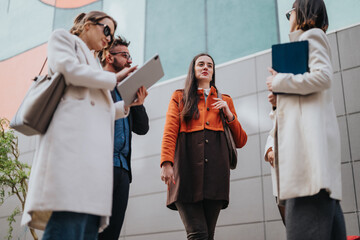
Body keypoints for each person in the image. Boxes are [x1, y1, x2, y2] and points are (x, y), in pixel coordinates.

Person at [21, 11, 142, 240]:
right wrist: (114, 79)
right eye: (106, 30)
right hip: (70, 152)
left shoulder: (95, 69)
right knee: (66, 225)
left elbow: (99, 111)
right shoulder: (63, 39)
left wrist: (126, 105)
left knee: (85, 230)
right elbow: (68, 70)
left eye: (112, 34)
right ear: (88, 25)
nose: (108, 38)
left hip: (93, 162)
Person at [265, 0, 346, 239]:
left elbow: (322, 77)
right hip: (315, 170)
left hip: (307, 168)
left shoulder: (311, 37)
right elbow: (308, 100)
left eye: (289, 13)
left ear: (300, 12)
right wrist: (278, 101)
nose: (288, 18)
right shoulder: (308, 42)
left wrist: (278, 82)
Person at [160, 53, 247, 240]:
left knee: (208, 236)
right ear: (193, 69)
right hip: (185, 172)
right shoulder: (179, 97)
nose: (205, 67)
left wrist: (228, 113)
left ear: (213, 71)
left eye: (210, 65)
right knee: (198, 234)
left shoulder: (226, 100)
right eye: (201, 64)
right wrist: (166, 163)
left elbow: (240, 141)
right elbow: (169, 132)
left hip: (216, 176)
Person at [97, 36, 149, 240]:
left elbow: (143, 128)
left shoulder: (125, 89)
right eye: (124, 55)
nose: (129, 61)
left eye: (130, 56)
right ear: (109, 57)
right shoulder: (97, 84)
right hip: (100, 168)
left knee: (111, 235)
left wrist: (137, 100)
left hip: (123, 171)